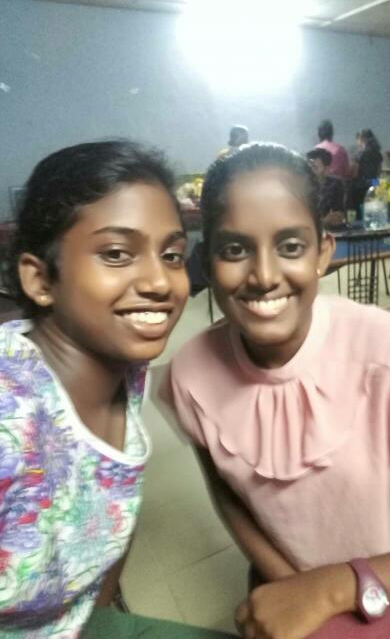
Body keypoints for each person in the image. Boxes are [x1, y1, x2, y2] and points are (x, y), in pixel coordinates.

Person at [162, 143, 390, 639]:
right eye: (235, 249)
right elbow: (228, 491)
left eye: (290, 246)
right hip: (296, 589)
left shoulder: (386, 347)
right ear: (207, 260)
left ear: (322, 253)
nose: (265, 276)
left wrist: (333, 588)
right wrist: (292, 585)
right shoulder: (189, 374)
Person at [0, 141, 233, 639]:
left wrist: (101, 619)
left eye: (172, 255)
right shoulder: (10, 416)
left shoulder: (127, 367)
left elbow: (110, 494)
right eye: (116, 254)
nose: (160, 281)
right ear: (40, 279)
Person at [306, 147, 345, 226]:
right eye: (308, 167)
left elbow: (338, 213)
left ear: (327, 169)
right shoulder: (301, 185)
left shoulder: (334, 184)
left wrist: (337, 216)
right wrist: (324, 221)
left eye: (315, 167)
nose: (310, 171)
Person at [350, 128, 383, 214]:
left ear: (362, 139)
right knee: (372, 212)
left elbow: (355, 174)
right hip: (374, 185)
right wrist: (375, 184)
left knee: (359, 212)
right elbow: (378, 173)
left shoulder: (360, 155)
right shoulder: (378, 154)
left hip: (361, 187)